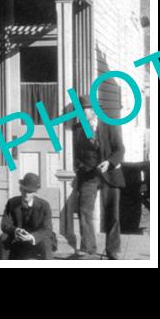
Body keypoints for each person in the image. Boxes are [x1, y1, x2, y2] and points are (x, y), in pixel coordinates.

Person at [70, 104, 125, 259]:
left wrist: (109, 162)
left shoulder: (109, 124)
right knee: (84, 210)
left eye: (83, 110)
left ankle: (112, 249)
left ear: (93, 110)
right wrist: (81, 167)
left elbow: (120, 149)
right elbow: (75, 154)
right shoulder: (77, 128)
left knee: (112, 212)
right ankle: (88, 247)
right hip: (89, 175)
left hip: (110, 172)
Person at [0, 173, 57, 260]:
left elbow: (47, 229)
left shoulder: (44, 205)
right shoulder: (12, 203)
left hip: (37, 240)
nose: (26, 194)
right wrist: (16, 230)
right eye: (24, 190)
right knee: (3, 238)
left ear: (35, 192)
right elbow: (4, 224)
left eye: (30, 192)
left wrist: (32, 237)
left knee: (46, 241)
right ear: (20, 189)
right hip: (17, 240)